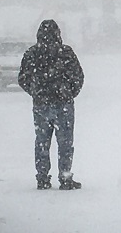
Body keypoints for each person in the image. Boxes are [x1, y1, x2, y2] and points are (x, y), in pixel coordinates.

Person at [18, 19, 84, 190]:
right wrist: (68, 93)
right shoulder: (66, 53)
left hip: (41, 105)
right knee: (65, 143)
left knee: (42, 141)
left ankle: (42, 178)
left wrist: (36, 92)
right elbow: (78, 76)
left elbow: (23, 78)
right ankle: (65, 177)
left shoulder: (32, 53)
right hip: (63, 105)